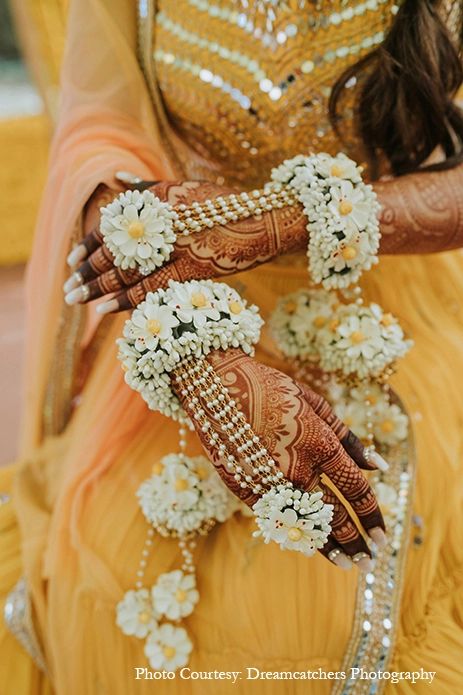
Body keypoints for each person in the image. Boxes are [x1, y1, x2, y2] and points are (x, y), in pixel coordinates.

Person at [1, 0, 463, 692]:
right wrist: (197, 357)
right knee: (102, 567)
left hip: (393, 297)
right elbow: (97, 140)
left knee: (343, 609)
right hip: (173, 295)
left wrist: (280, 222)